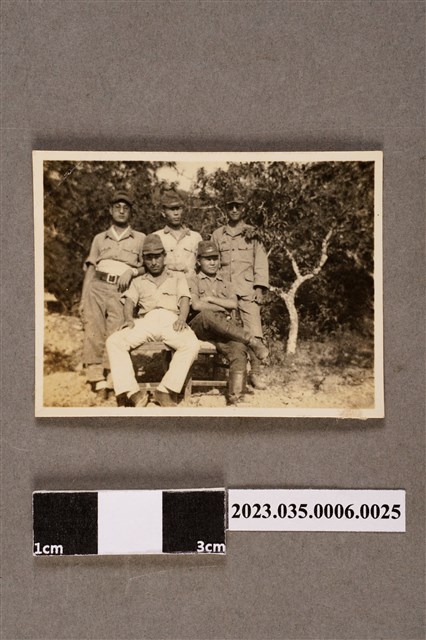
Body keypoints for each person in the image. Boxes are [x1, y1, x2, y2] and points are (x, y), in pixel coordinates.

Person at [106, 234, 200, 407]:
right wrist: (128, 319)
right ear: (144, 259)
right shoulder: (138, 281)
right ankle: (133, 393)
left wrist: (182, 318)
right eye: (149, 258)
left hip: (171, 320)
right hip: (146, 321)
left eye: (157, 256)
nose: (154, 262)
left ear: (164, 256)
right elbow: (129, 302)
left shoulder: (177, 277)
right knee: (114, 341)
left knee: (192, 344)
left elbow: (185, 299)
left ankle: (165, 390)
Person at [79, 190, 145, 398]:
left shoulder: (140, 238)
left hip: (122, 290)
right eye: (117, 207)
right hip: (97, 287)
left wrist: (131, 271)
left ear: (130, 212)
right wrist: (83, 298)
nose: (121, 211)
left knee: (116, 332)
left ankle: (111, 377)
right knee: (93, 329)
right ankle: (96, 379)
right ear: (110, 210)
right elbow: (91, 268)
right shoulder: (100, 238)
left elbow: (147, 266)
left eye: (126, 208)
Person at [188, 241, 268, 405]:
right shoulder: (193, 280)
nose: (212, 262)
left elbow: (234, 304)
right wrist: (221, 306)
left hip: (222, 328)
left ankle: (235, 398)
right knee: (207, 314)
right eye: (207, 259)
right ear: (199, 261)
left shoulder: (226, 281)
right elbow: (196, 305)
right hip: (200, 326)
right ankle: (251, 340)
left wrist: (210, 299)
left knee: (238, 348)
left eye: (215, 258)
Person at [211, 192, 269, 390]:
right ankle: (226, 372)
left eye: (238, 206)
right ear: (225, 209)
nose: (234, 210)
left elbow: (260, 261)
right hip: (224, 292)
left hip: (247, 290)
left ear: (244, 209)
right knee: (224, 331)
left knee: (254, 332)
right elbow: (212, 263)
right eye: (230, 206)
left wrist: (259, 288)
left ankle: (256, 374)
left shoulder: (252, 233)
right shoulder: (218, 235)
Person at [153, 188, 203, 277]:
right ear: (163, 213)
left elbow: (202, 266)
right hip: (167, 283)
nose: (176, 213)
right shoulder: (157, 237)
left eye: (178, 209)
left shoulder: (195, 237)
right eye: (172, 209)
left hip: (190, 283)